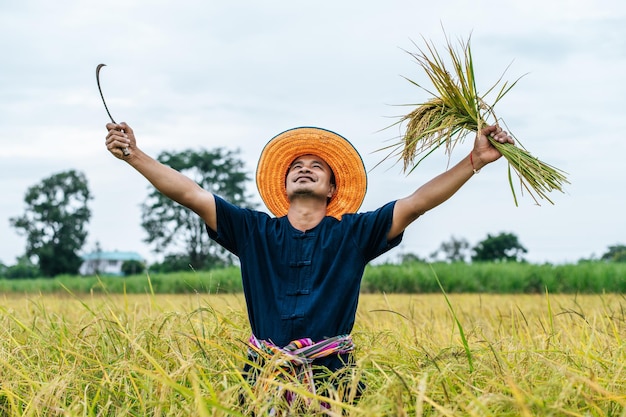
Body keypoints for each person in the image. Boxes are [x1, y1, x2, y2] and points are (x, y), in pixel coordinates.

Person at [104, 122, 513, 408]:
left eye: (317, 167)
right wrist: (134, 155)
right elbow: (191, 194)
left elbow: (417, 203)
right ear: (284, 187)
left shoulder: (355, 233)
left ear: (332, 189)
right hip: (263, 375)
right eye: (296, 167)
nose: (305, 168)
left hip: (335, 378)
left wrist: (473, 160)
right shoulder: (253, 230)